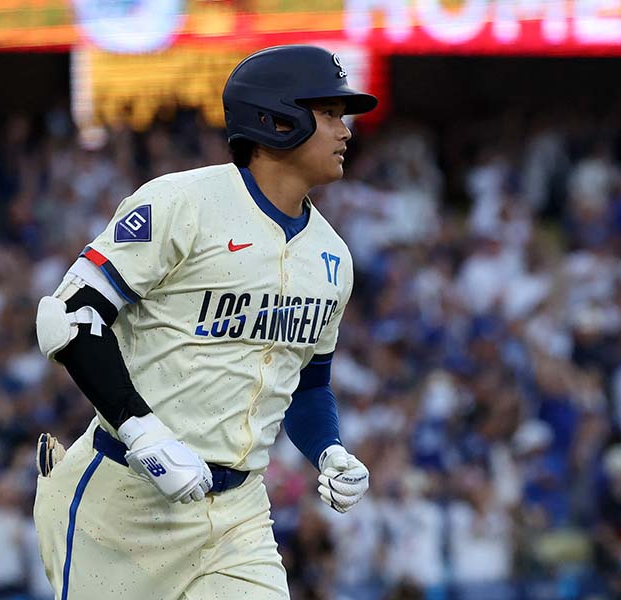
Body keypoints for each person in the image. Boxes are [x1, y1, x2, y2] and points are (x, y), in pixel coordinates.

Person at [32, 44, 377, 600]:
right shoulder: (183, 202)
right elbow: (69, 317)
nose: (345, 129)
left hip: (238, 514)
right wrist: (141, 428)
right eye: (330, 113)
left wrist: (329, 448)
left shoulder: (333, 256)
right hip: (122, 503)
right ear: (276, 117)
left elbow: (309, 383)